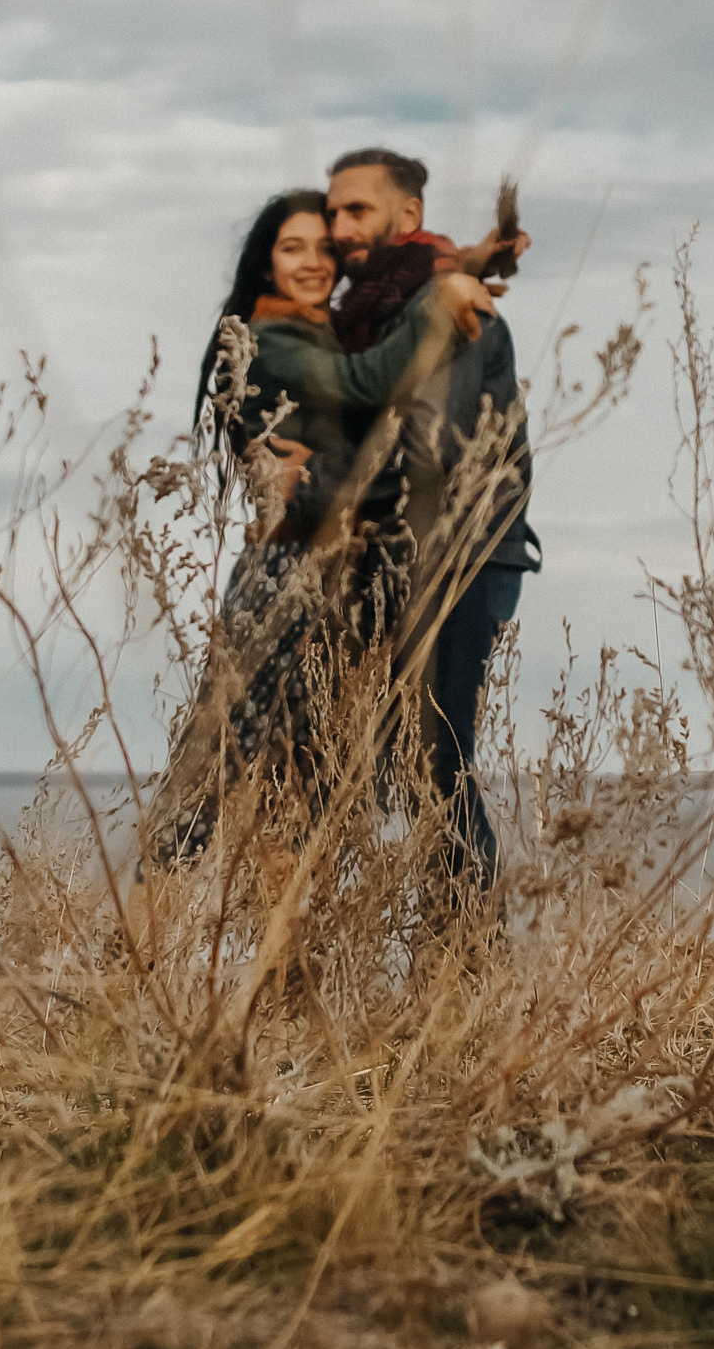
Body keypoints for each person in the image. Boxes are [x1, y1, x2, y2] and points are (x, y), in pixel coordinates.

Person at [140, 187, 493, 865]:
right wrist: (442, 302)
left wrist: (456, 261)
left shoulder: (327, 333)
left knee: (306, 777)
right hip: (283, 571)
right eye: (291, 248)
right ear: (264, 263)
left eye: (323, 250)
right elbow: (363, 384)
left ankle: (287, 961)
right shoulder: (271, 338)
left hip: (341, 580)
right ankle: (140, 941)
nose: (311, 263)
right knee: (218, 761)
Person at [325, 146, 537, 901]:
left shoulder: (440, 306)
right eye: (334, 211)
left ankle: (467, 967)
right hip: (413, 556)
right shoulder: (390, 303)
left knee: (437, 767)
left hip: (454, 557)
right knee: (397, 767)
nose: (340, 225)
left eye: (359, 209)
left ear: (407, 215)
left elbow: (432, 451)